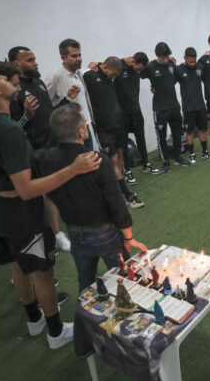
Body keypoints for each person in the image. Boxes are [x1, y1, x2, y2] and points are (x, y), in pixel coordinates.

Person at [0, 61, 101, 349]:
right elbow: (26, 189)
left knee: (18, 267)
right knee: (42, 273)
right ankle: (56, 332)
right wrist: (74, 168)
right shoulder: (8, 130)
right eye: (0, 76)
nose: (13, 79)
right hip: (23, 218)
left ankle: (34, 320)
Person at [31, 103, 148, 291]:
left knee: (86, 284)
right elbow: (117, 203)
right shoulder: (97, 160)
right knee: (126, 280)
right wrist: (128, 236)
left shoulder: (44, 159)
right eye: (85, 123)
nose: (87, 126)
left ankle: (86, 319)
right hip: (105, 233)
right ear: (80, 131)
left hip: (75, 233)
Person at [6, 49, 74, 252]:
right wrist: (26, 115)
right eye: (30, 60)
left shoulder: (39, 82)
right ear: (16, 65)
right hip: (36, 151)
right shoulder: (14, 92)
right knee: (49, 194)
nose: (35, 63)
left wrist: (66, 101)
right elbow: (12, 129)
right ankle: (55, 236)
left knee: (61, 189)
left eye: (35, 58)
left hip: (54, 144)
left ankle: (64, 230)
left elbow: (48, 113)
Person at [83, 56, 144, 208]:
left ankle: (119, 187)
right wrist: (94, 63)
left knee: (121, 154)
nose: (114, 78)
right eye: (113, 75)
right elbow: (79, 72)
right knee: (113, 160)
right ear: (105, 68)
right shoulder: (89, 75)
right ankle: (126, 195)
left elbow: (120, 61)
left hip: (118, 123)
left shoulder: (110, 75)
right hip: (104, 128)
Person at [44, 38, 99, 151]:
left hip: (85, 127)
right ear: (63, 58)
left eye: (79, 55)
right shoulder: (55, 76)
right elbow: (44, 105)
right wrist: (67, 98)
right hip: (69, 135)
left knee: (90, 165)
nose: (79, 59)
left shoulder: (78, 72)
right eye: (74, 56)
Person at [139, 42, 185, 173]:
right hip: (160, 108)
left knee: (177, 133)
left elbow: (173, 80)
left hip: (174, 105)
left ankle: (177, 156)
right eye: (162, 58)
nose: (165, 60)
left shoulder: (171, 63)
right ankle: (165, 160)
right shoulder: (150, 66)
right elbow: (139, 73)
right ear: (157, 56)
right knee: (162, 136)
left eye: (167, 57)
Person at [115, 52, 161, 181]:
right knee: (123, 142)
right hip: (122, 112)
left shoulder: (140, 67)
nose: (139, 71)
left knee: (141, 137)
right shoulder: (118, 66)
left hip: (136, 109)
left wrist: (167, 60)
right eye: (138, 68)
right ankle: (127, 170)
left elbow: (152, 64)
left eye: (141, 69)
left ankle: (146, 164)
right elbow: (104, 68)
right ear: (133, 61)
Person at [176, 47, 210, 163]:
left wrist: (207, 55)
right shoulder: (179, 69)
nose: (192, 64)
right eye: (190, 61)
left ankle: (205, 152)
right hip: (188, 107)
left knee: (202, 129)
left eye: (194, 61)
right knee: (190, 132)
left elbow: (207, 78)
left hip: (200, 105)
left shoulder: (200, 67)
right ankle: (191, 154)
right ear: (185, 58)